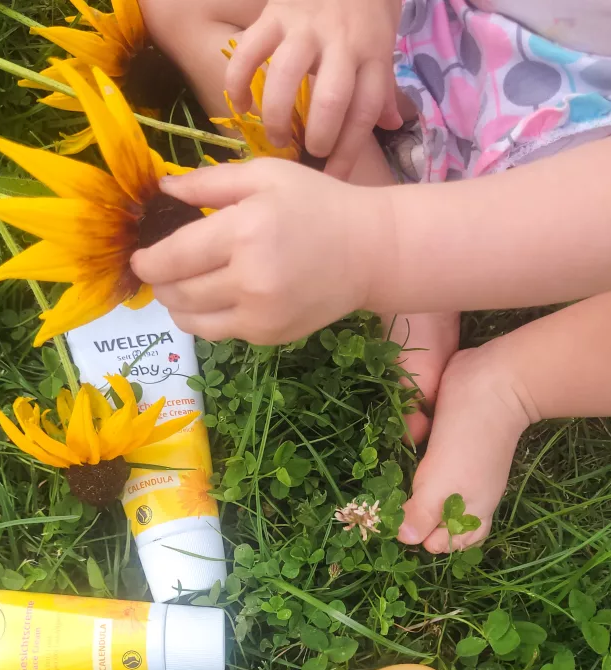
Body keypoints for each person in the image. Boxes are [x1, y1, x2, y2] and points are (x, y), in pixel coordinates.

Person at [132, 0, 611, 553]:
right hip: (435, 31)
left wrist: (379, 248)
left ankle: (513, 382)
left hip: (574, 183)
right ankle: (395, 256)